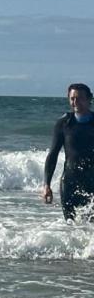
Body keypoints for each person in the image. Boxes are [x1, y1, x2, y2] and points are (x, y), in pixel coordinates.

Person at [43, 83, 94, 221]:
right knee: (71, 226)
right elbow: (53, 154)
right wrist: (46, 185)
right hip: (70, 183)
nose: (75, 102)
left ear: (90, 98)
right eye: (72, 98)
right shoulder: (64, 124)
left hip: (92, 182)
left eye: (79, 98)